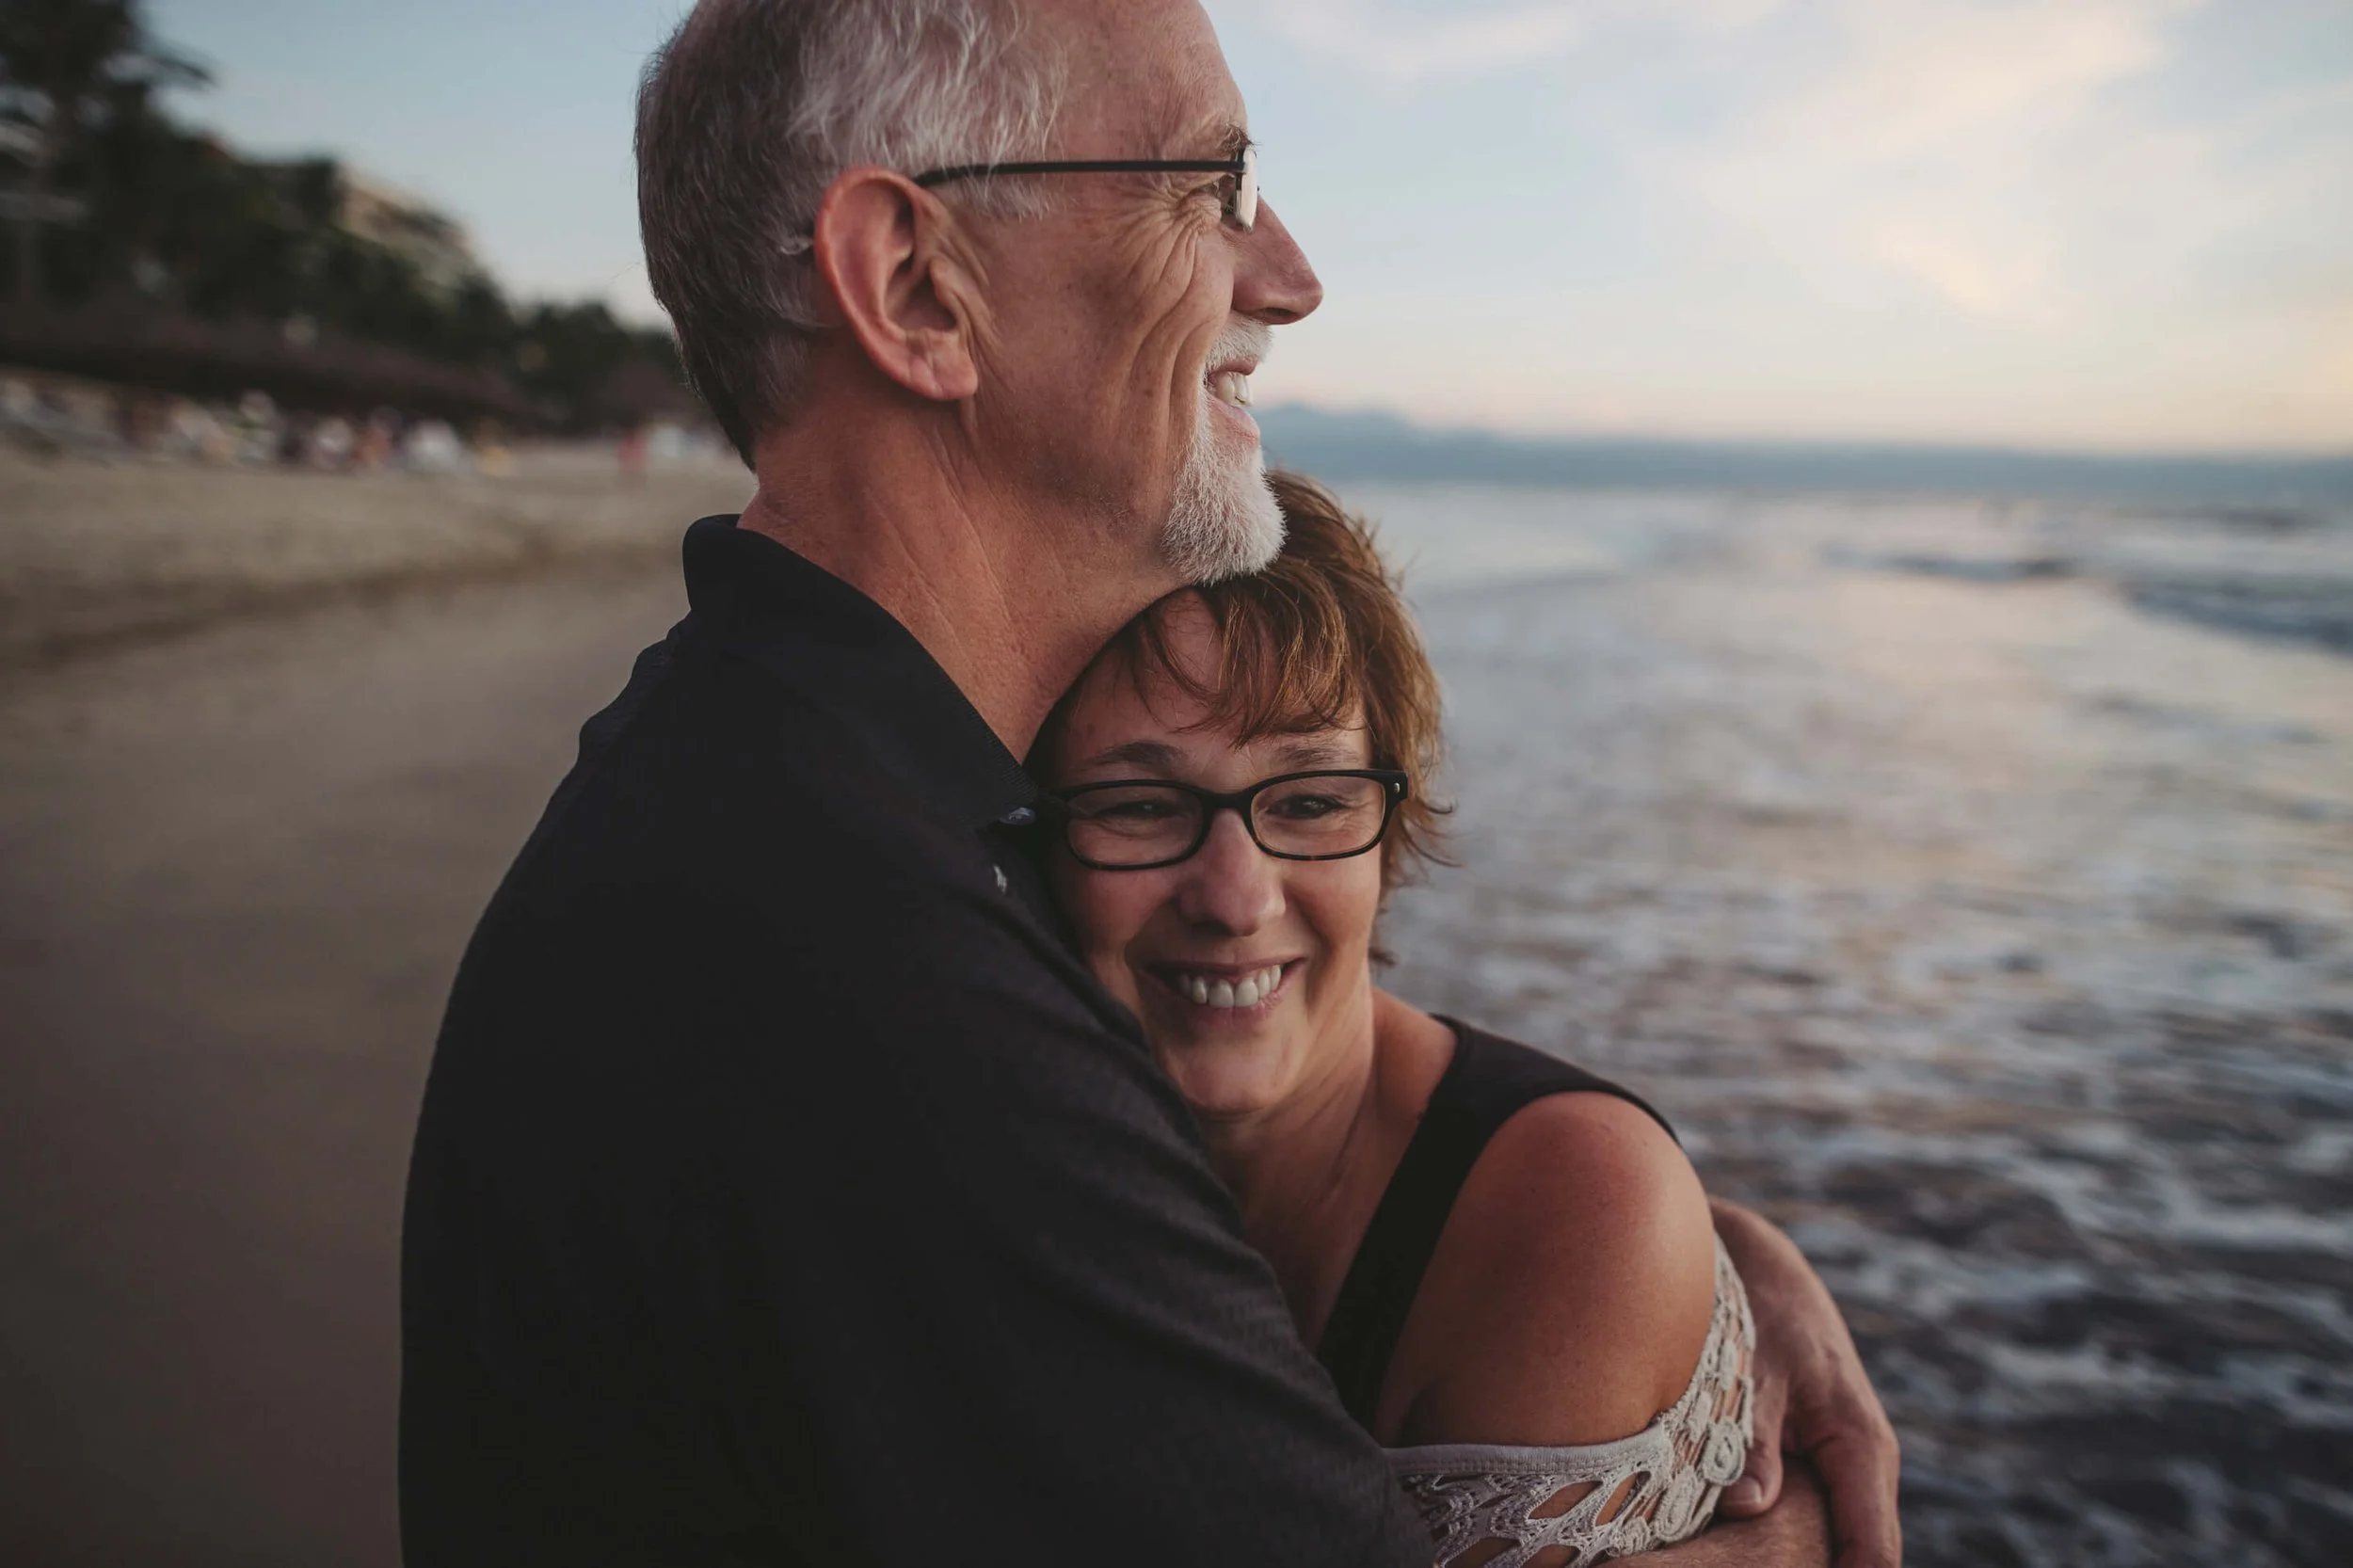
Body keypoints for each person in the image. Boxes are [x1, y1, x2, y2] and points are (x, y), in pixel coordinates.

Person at [399, 2, 1901, 1565]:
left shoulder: (777, 792)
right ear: (918, 287)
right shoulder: (875, 973)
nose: (1292, 277)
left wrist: (1673, 1241)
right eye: (1212, 189)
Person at [1033, 472, 1816, 1564]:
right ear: (1033, 848)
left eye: (1309, 802)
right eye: (1140, 803)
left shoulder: (1571, 1210)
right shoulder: (969, 1142)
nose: (1237, 896)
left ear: (1388, 836)